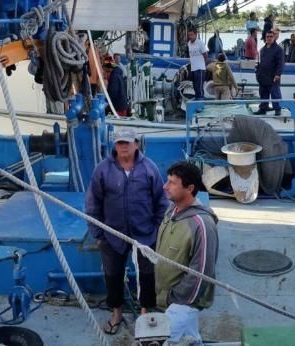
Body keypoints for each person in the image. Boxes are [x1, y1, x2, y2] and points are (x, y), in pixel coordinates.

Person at [86, 128, 170, 335]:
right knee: (112, 276)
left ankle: (144, 313)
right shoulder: (102, 170)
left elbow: (161, 202)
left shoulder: (149, 169)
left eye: (127, 142)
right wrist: (98, 234)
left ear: (136, 144)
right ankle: (116, 313)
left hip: (145, 235)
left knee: (147, 276)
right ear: (115, 145)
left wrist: (157, 230)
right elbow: (92, 204)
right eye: (119, 142)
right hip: (112, 236)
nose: (123, 146)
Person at [155, 161, 219, 345]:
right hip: (171, 297)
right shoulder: (171, 211)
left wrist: (175, 298)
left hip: (184, 302)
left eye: (172, 183)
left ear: (190, 188)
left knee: (162, 340)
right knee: (190, 339)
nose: (165, 187)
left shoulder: (202, 225)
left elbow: (202, 272)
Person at [254, 30, 284, 116]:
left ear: (274, 37)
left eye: (271, 36)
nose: (269, 38)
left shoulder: (278, 49)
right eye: (268, 36)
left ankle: (277, 109)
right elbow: (257, 63)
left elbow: (280, 63)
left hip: (273, 77)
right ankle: (263, 108)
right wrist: (257, 73)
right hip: (262, 77)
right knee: (263, 94)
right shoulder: (262, 50)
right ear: (265, 38)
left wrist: (278, 74)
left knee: (275, 94)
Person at [186, 27, 209, 100]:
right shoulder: (189, 43)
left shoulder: (200, 43)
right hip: (193, 68)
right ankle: (196, 101)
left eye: (192, 35)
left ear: (196, 34)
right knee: (195, 87)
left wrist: (202, 64)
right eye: (189, 35)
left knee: (199, 88)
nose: (190, 37)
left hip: (200, 68)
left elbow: (205, 55)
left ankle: (201, 102)